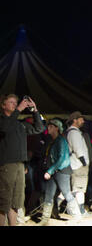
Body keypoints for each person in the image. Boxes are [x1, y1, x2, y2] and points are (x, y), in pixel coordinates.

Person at [0, 94, 44, 226]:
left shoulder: (20, 124)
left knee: (16, 202)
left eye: (16, 103)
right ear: (3, 105)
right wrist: (19, 109)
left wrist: (35, 110)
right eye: (11, 102)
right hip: (7, 165)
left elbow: (39, 128)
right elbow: (5, 128)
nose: (15, 104)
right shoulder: (2, 121)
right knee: (4, 202)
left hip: (20, 165)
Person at [38, 119, 81, 225]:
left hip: (62, 170)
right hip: (53, 170)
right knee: (49, 194)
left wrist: (50, 170)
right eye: (48, 126)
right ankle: (45, 219)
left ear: (57, 128)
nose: (48, 128)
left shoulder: (60, 140)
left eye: (51, 126)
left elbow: (62, 158)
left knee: (66, 193)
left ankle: (77, 216)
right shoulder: (53, 140)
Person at [65, 111, 92, 217]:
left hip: (75, 164)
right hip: (79, 165)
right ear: (75, 120)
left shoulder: (71, 132)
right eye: (81, 119)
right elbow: (78, 149)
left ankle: (62, 207)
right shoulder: (74, 133)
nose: (83, 121)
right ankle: (80, 210)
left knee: (73, 188)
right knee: (79, 189)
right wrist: (84, 162)